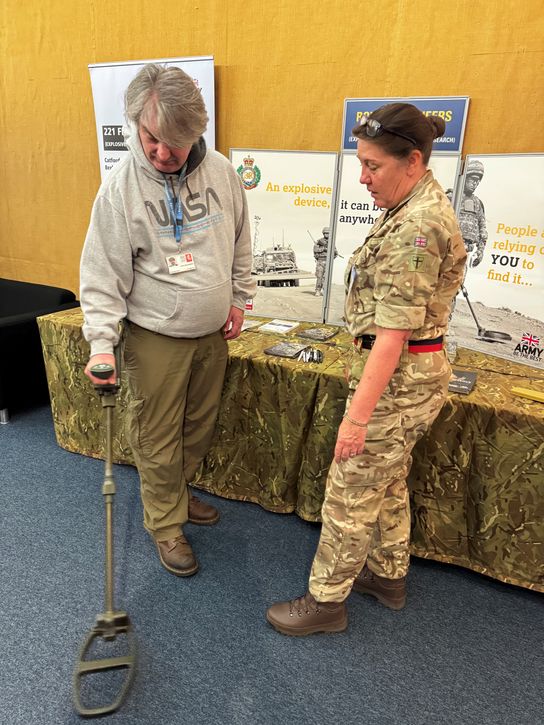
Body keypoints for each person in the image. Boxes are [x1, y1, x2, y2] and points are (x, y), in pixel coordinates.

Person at [266, 103, 466, 635]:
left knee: (352, 485)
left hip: (398, 378)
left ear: (413, 160)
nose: (363, 177)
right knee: (389, 477)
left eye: (373, 165)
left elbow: (393, 337)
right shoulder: (413, 205)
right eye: (361, 163)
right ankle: (388, 574)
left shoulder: (417, 226)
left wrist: (356, 421)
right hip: (409, 375)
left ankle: (326, 602)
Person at [80, 64, 255, 577]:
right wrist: (102, 344)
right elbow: (101, 273)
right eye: (150, 138)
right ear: (135, 124)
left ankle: (174, 497)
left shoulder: (221, 172)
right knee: (156, 437)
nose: (161, 152)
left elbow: (242, 239)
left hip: (211, 333)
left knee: (197, 430)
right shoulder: (120, 188)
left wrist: (240, 299)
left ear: (197, 131)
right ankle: (165, 524)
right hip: (154, 335)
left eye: (174, 142)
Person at [458, 159, 487, 267]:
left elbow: (482, 230)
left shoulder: (478, 203)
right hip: (447, 251)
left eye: (478, 181)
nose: (475, 183)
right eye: (473, 179)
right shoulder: (451, 197)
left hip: (466, 252)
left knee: (459, 282)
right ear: (465, 177)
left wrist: (480, 251)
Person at [313, 227, 337, 296]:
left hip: (328, 261)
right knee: (319, 276)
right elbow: (315, 250)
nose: (327, 234)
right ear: (323, 233)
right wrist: (323, 249)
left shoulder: (331, 242)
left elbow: (335, 253)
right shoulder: (319, 242)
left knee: (326, 277)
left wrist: (331, 259)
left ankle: (325, 290)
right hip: (320, 261)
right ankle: (318, 290)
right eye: (325, 233)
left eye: (328, 233)